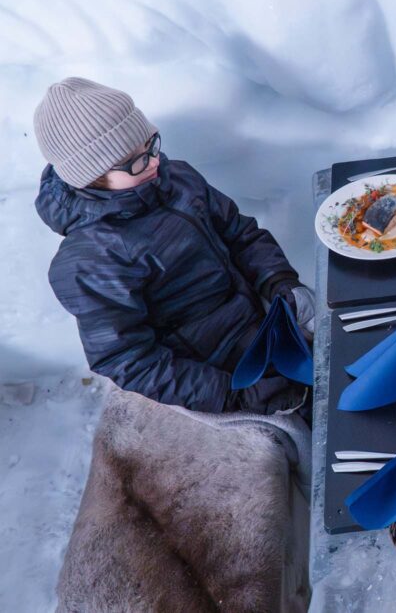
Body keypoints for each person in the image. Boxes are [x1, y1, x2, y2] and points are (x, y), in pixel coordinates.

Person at [35, 77, 314, 419]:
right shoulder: (90, 261)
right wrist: (236, 394)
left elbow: (240, 233)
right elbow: (129, 360)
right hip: (216, 371)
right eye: (134, 161)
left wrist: (280, 283)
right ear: (91, 177)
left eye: (150, 144)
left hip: (264, 324)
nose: (154, 162)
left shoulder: (176, 179)